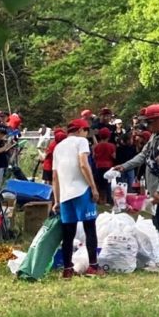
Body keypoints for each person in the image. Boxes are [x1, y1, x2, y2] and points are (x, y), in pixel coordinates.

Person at [115, 104, 159, 272]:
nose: (147, 126)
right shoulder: (155, 137)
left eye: (150, 122)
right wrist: (124, 166)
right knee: (157, 223)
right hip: (155, 189)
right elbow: (143, 156)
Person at [52, 119, 102, 278]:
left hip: (66, 194)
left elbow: (55, 176)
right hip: (82, 191)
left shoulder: (58, 147)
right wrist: (93, 187)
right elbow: (83, 164)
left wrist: (57, 200)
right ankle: (93, 266)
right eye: (86, 131)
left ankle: (67, 269)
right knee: (90, 229)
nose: (87, 134)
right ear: (81, 130)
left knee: (68, 233)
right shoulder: (81, 141)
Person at [92, 128, 116, 205]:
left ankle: (100, 199)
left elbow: (93, 156)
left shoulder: (96, 146)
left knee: (100, 184)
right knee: (108, 184)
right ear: (108, 136)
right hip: (108, 166)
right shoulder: (111, 146)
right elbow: (114, 156)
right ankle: (109, 200)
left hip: (98, 166)